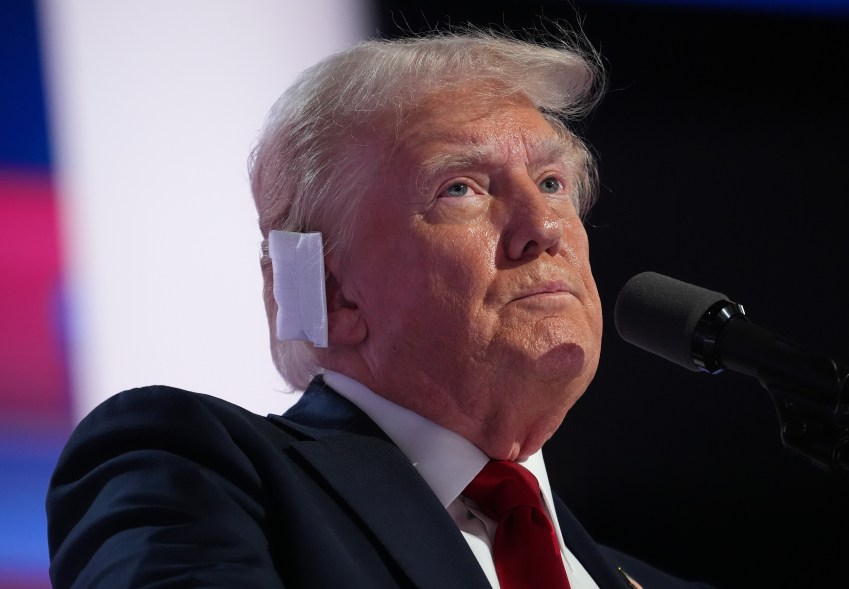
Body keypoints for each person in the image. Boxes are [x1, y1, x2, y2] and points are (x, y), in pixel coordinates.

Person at [46, 30, 714, 588]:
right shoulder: (194, 470)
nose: (543, 224)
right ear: (332, 290)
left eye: (551, 182)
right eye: (460, 188)